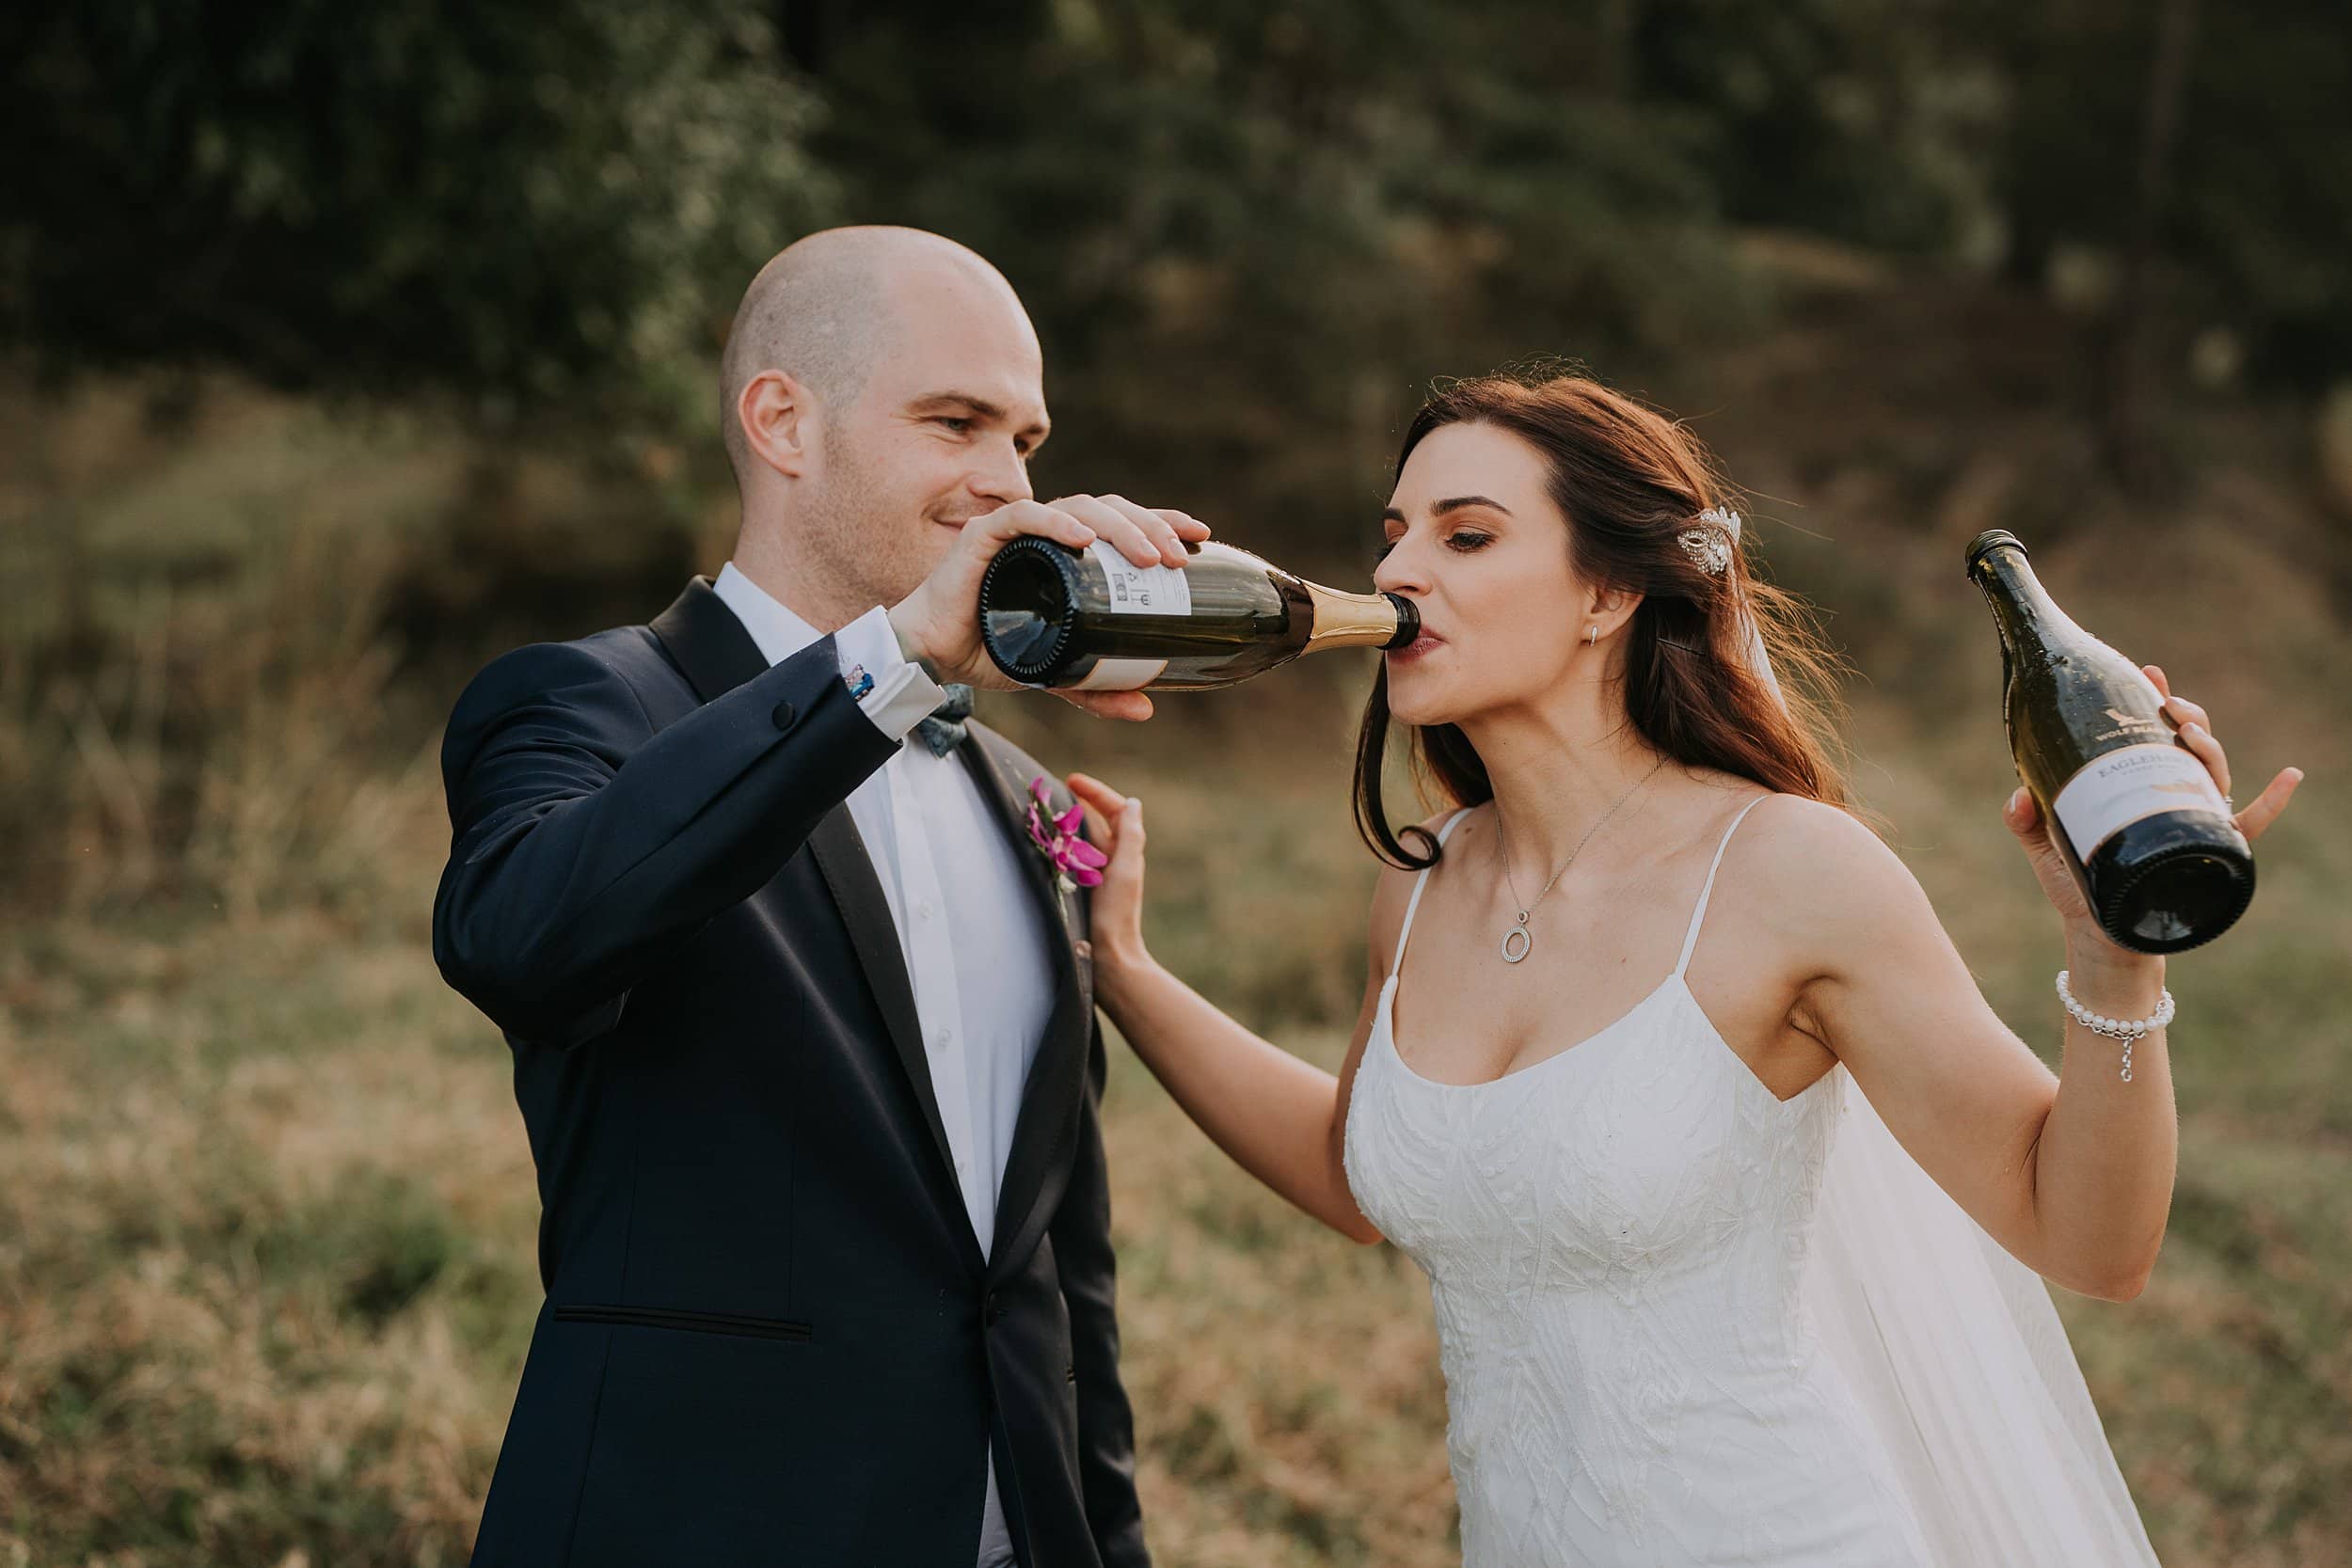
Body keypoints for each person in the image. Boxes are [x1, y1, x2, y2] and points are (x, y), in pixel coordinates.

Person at [1059, 372, 2304, 1566]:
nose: (1392, 572)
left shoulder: (1791, 873)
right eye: (1392, 536)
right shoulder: (1427, 876)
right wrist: (1123, 966)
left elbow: (2092, 1241)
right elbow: (1360, 1174)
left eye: (1468, 536)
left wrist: (2116, 961)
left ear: (1605, 595)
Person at [432, 226, 1210, 1568]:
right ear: (783, 422)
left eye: (1025, 438)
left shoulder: (1027, 793)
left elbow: (1061, 1269)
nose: (1007, 484)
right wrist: (897, 658)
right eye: (956, 421)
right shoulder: (582, 700)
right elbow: (520, 944)